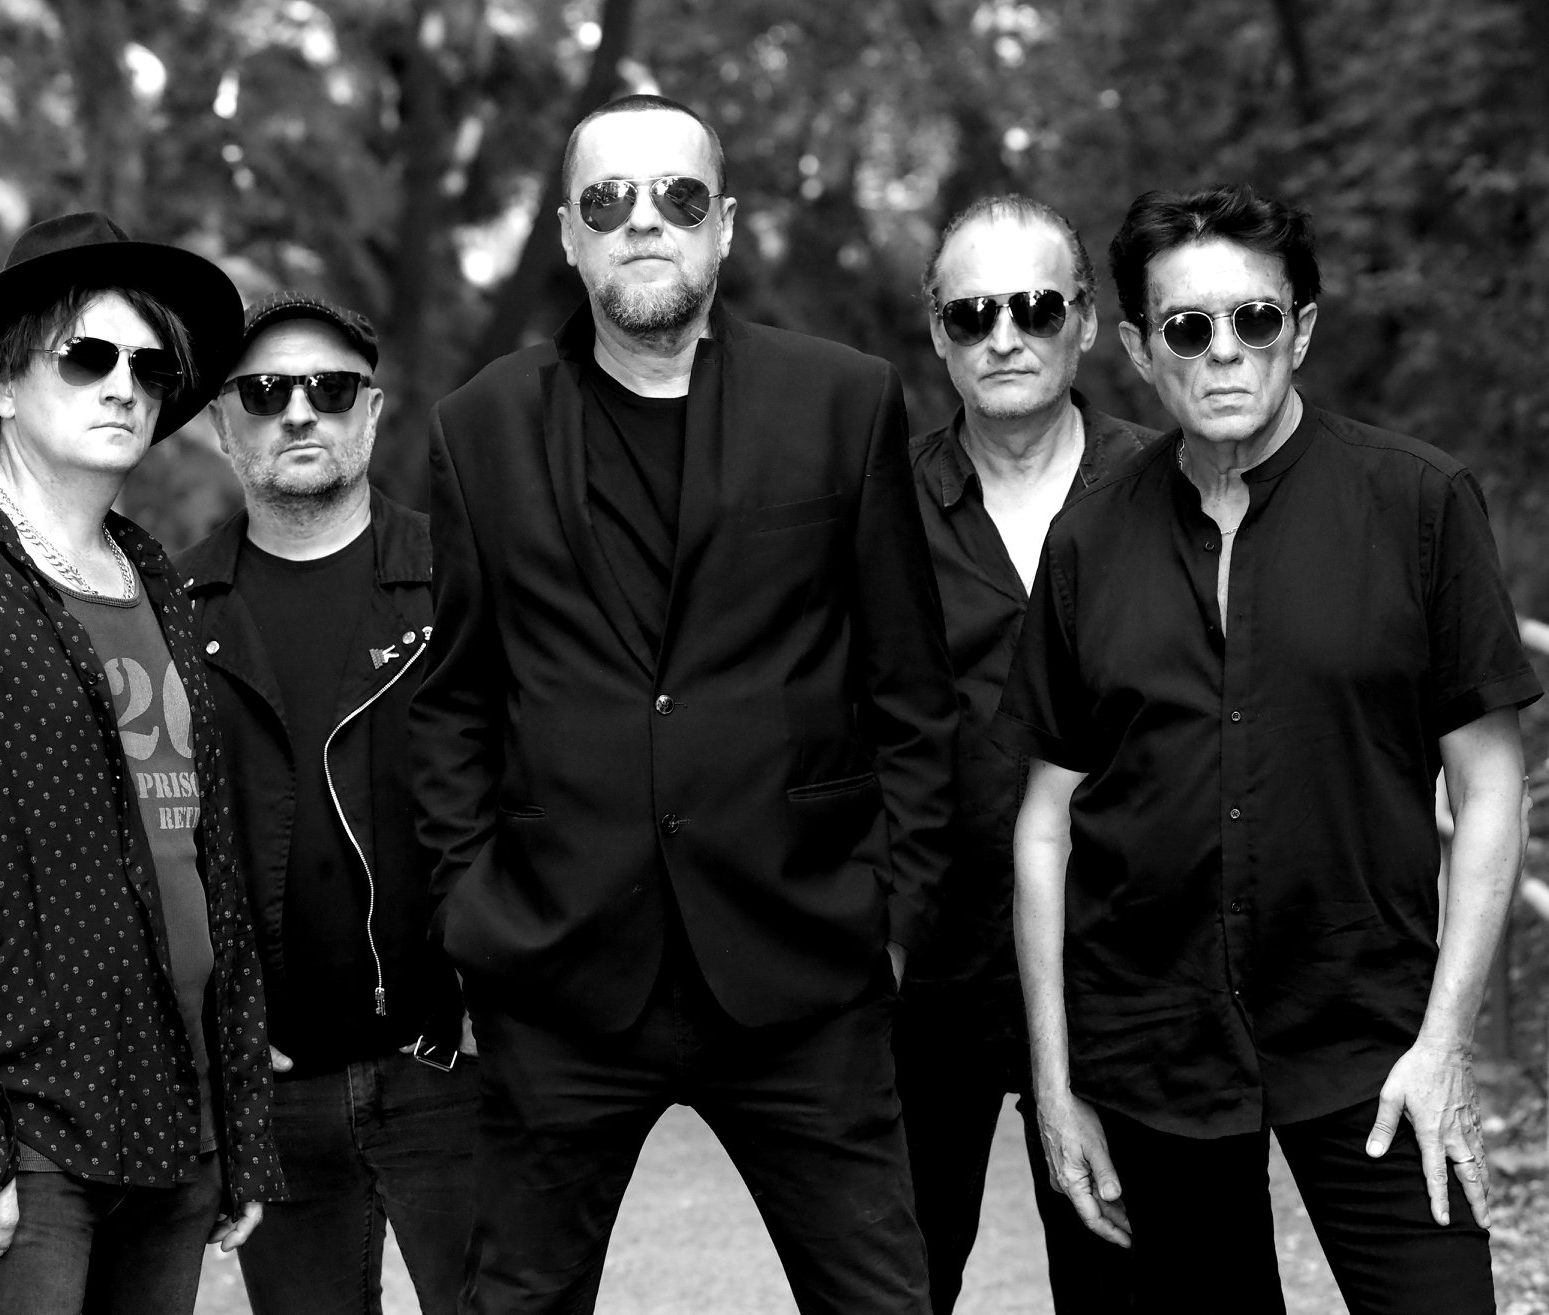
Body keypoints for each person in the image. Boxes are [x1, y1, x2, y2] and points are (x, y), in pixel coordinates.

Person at [410, 93, 958, 1313]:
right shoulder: (479, 425)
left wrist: (893, 913)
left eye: (678, 195)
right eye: (608, 200)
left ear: (723, 226)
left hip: (802, 960)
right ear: (568, 235)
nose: (643, 221)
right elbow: (452, 702)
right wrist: (469, 910)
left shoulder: (840, 399)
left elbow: (909, 684)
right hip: (560, 971)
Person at [996, 182, 1540, 1314]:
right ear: (1139, 350)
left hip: (1373, 1034)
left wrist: (1445, 1041)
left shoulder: (1419, 503)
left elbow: (1490, 784)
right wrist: (1053, 1083)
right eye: (1187, 327)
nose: (1223, 353)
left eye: (1253, 319)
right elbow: (1045, 821)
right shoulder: (1087, 539)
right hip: (1152, 1043)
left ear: (1299, 329)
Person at [0, 212, 282, 1314]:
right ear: (4, 380)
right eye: (87, 355)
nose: (124, 385)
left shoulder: (156, 579)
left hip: (173, 1119)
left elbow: (205, 865)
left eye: (150, 367)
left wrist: (240, 1127)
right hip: (16, 1134)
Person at [179, 290, 477, 1314]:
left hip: (450, 1068)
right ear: (223, 424)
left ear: (373, 411)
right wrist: (216, 1036)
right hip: (276, 1089)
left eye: (331, 388)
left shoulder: (460, 585)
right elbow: (157, 848)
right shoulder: (170, 612)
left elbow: (543, 793)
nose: (299, 410)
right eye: (265, 391)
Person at [899, 194, 1146, 1313]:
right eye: (971, 313)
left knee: (1124, 1289)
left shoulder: (1170, 489)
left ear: (1085, 321)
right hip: (923, 980)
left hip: (1126, 977)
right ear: (936, 330)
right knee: (890, 1290)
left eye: (1036, 307)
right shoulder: (875, 510)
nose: (1003, 335)